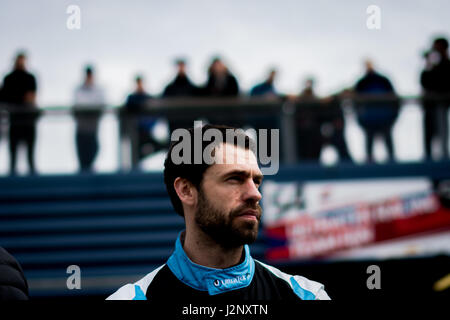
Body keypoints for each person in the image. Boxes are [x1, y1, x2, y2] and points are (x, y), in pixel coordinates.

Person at [107, 124, 330, 300]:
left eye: (256, 181)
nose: (255, 194)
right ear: (186, 190)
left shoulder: (306, 296)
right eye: (235, 179)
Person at [295, 78, 352, 162]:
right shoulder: (300, 102)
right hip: (304, 135)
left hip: (316, 133)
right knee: (307, 153)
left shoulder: (320, 103)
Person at [0, 51, 38, 175]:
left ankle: (32, 177)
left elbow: (31, 97)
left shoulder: (30, 78)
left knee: (30, 154)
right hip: (14, 120)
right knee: (13, 154)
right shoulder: (8, 78)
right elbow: (4, 98)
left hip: (28, 120)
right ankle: (12, 174)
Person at [354, 60, 400, 162]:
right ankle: (370, 159)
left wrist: (393, 117)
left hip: (384, 117)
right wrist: (360, 120)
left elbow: (394, 99)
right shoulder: (361, 83)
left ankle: (391, 158)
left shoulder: (383, 80)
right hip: (369, 119)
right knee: (369, 139)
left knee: (387, 139)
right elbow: (355, 103)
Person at [122, 75, 164, 168]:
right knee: (135, 156)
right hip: (135, 132)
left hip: (147, 132)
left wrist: (150, 125)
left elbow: (157, 114)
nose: (139, 85)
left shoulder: (149, 98)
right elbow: (128, 110)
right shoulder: (132, 98)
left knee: (162, 146)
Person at [420, 37, 450, 160]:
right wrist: (428, 64)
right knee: (429, 135)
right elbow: (424, 81)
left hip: (441, 105)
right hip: (429, 105)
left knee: (442, 134)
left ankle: (443, 158)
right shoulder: (431, 66)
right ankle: (429, 158)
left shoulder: (447, 65)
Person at [72, 65, 105, 172]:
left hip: (92, 128)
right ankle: (84, 173)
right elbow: (77, 106)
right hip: (81, 127)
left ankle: (88, 170)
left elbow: (100, 105)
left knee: (93, 150)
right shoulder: (79, 89)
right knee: (82, 154)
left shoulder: (98, 90)